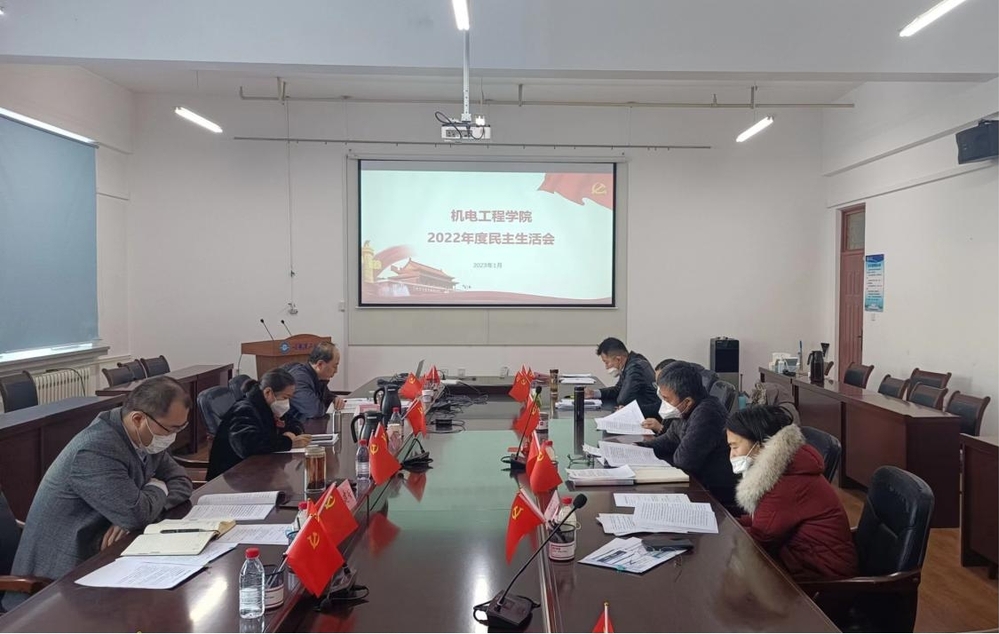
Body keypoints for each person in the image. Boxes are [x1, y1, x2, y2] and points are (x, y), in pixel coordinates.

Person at [2, 376, 194, 610]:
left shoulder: (145, 437)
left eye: (180, 428)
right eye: (171, 429)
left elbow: (182, 482)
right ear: (138, 419)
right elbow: (137, 514)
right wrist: (157, 487)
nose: (172, 437)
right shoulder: (96, 449)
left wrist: (138, 507)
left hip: (105, 556)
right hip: (56, 584)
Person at [727, 405, 857, 582]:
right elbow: (763, 519)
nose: (732, 455)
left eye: (734, 447)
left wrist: (723, 532)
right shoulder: (786, 465)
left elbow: (761, 537)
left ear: (759, 444)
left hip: (823, 579)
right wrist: (727, 521)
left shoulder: (788, 480)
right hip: (798, 560)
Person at [638, 361, 736, 506]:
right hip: (694, 483)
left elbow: (684, 461)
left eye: (667, 399)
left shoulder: (707, 414)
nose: (664, 404)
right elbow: (669, 439)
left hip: (712, 495)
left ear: (687, 402)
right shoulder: (685, 410)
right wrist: (636, 448)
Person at [207, 369, 312, 479]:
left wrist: (291, 432)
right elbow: (248, 445)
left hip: (253, 471)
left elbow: (294, 422)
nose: (287, 403)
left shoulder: (269, 406)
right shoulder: (244, 410)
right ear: (268, 392)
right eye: (285, 397)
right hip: (231, 476)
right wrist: (288, 442)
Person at [584, 337, 659, 418]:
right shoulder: (631, 362)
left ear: (618, 359)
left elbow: (623, 399)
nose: (606, 367)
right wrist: (594, 393)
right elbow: (618, 389)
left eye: (606, 362)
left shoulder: (635, 367)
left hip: (648, 417)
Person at [285, 342, 345, 423]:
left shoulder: (316, 376)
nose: (336, 371)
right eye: (335, 366)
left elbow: (326, 395)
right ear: (320, 364)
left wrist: (334, 398)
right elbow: (315, 411)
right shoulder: (299, 379)